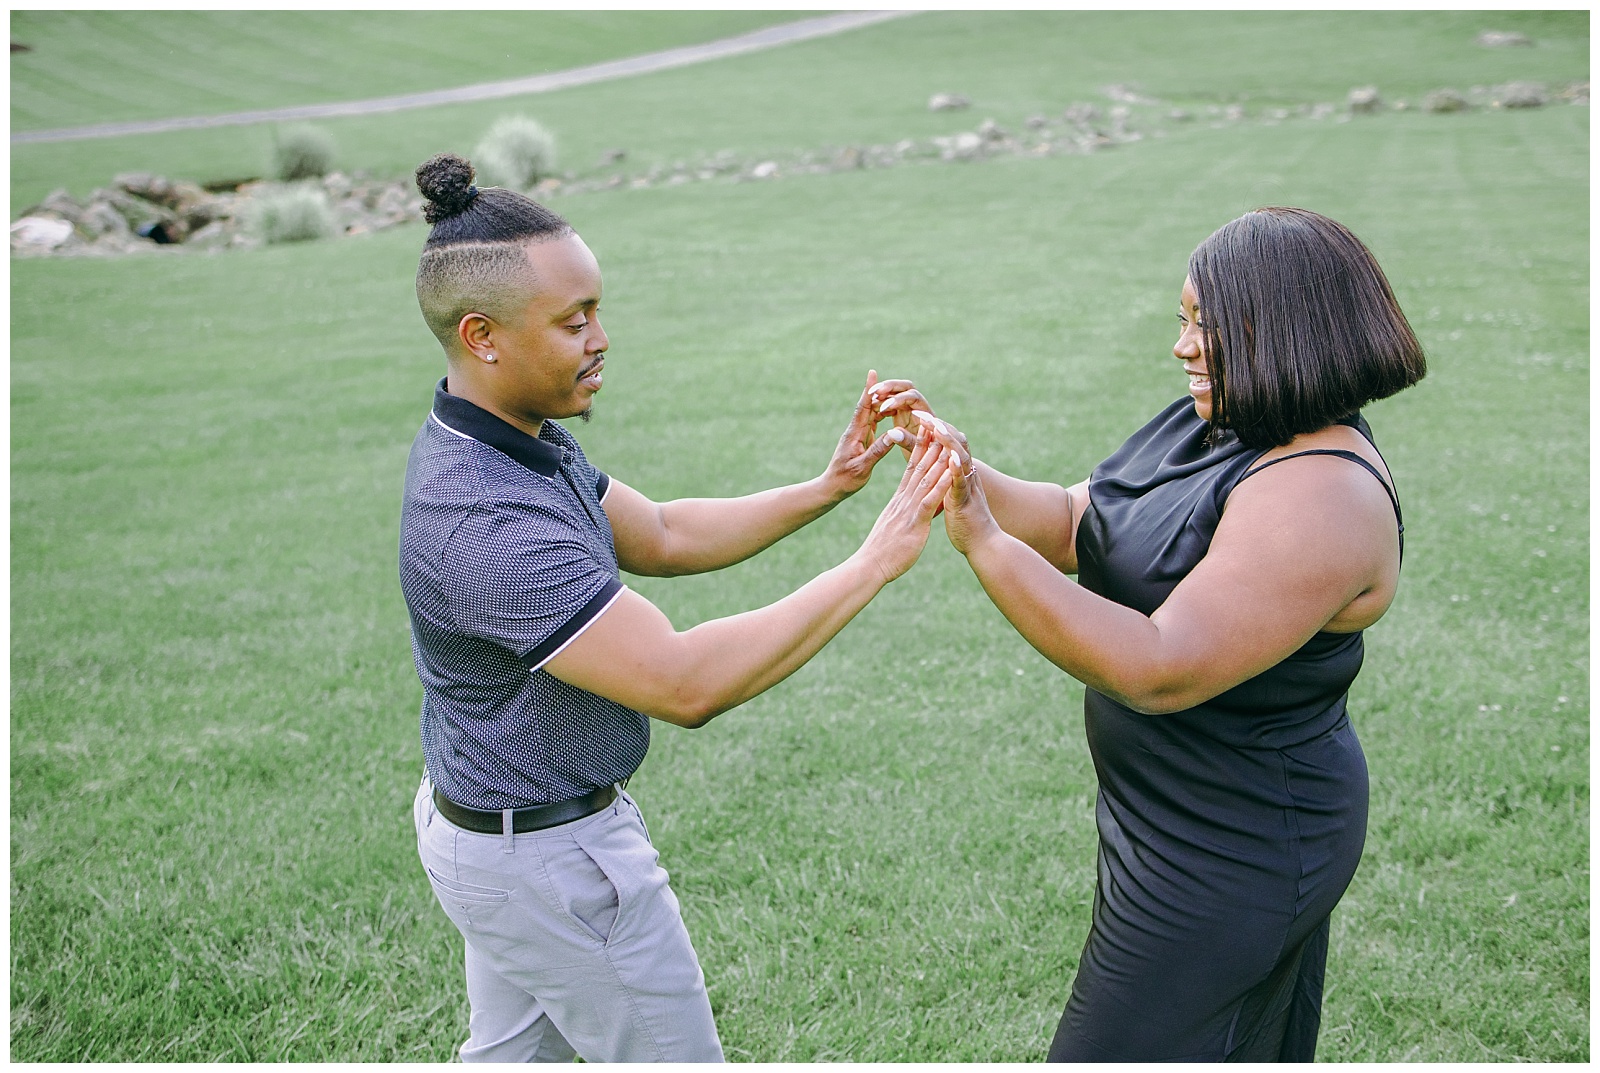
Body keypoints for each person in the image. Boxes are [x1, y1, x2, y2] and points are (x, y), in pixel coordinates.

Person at [398, 153, 954, 1063]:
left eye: (597, 311)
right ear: (482, 335)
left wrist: (831, 486)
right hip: (549, 862)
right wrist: (875, 561)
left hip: (499, 836)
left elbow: (657, 531)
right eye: (574, 321)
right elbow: (684, 681)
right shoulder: (483, 518)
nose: (601, 337)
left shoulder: (514, 436)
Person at [895, 207, 1426, 1061]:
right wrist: (962, 469)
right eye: (1183, 320)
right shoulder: (1217, 420)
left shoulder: (1321, 490)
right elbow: (1080, 520)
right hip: (1166, 814)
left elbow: (1161, 665)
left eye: (1205, 326)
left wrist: (985, 545)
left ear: (1283, 331)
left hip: (1240, 842)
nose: (1182, 347)